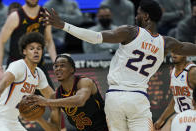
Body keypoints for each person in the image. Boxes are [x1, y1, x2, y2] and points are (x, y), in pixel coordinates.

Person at [41, 0, 196, 130]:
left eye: (139, 13)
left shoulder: (131, 32)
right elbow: (189, 48)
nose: (136, 16)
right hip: (138, 98)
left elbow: (95, 37)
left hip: (115, 97)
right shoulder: (167, 43)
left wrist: (64, 26)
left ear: (146, 16)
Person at [29, 54, 108, 131]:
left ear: (72, 69)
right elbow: (55, 129)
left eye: (62, 65)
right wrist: (38, 119)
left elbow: (80, 100)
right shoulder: (55, 96)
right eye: (56, 66)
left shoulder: (84, 82)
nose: (58, 68)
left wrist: (47, 102)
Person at [0, 32, 54, 131]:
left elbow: (53, 97)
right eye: (31, 48)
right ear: (24, 51)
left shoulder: (39, 74)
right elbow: (4, 83)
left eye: (39, 48)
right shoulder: (18, 66)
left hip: (13, 121)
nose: (36, 51)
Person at [0, 0, 57, 83]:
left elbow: (49, 41)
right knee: (8, 95)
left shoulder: (45, 15)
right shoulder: (15, 16)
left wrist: (55, 62)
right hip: (16, 66)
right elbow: (1, 40)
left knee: (50, 95)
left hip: (38, 66)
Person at [154, 53, 196, 131]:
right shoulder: (173, 72)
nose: (174, 54)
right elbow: (175, 99)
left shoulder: (192, 71)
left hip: (192, 116)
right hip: (179, 115)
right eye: (173, 51)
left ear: (185, 53)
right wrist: (161, 119)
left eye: (178, 51)